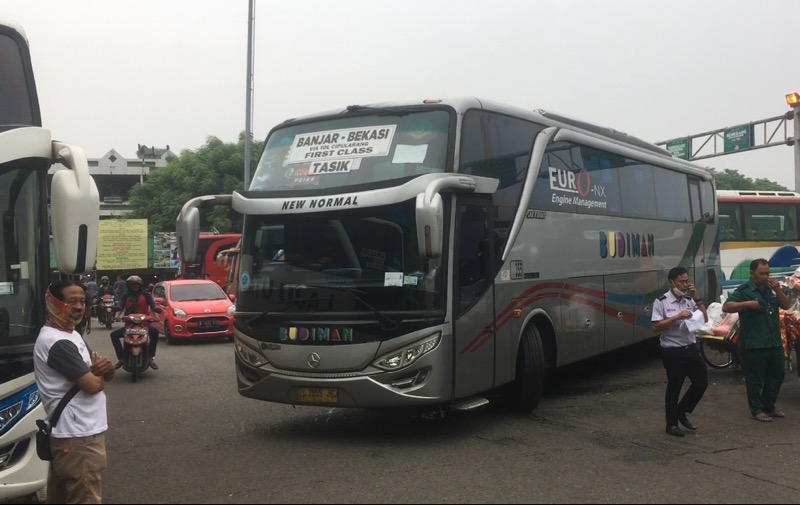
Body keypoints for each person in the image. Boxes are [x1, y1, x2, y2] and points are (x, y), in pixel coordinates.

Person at [32, 280, 115, 504]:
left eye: (82, 301)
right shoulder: (56, 341)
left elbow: (101, 373)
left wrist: (104, 371)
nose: (79, 307)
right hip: (79, 437)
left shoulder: (72, 335)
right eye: (71, 301)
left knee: (62, 496)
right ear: (53, 303)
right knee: (85, 496)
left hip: (76, 434)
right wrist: (102, 372)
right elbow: (93, 385)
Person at [722, 258, 792, 422]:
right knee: (755, 379)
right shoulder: (744, 290)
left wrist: (778, 290)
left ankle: (769, 406)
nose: (765, 276)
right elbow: (727, 306)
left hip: (773, 342)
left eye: (767, 273)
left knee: (778, 374)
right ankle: (757, 410)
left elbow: (787, 305)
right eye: (762, 273)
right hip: (753, 343)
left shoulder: (771, 289)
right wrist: (747, 304)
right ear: (752, 273)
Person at [651, 266, 709, 437]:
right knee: (674, 386)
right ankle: (671, 423)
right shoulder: (661, 301)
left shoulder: (689, 300)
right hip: (673, 351)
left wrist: (697, 299)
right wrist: (676, 317)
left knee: (701, 382)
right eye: (681, 282)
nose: (685, 285)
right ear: (671, 282)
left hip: (690, 348)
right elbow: (655, 327)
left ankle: (682, 410)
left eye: (687, 281)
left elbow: (704, 318)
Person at [110, 275, 163, 370]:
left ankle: (150, 357)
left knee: (155, 332)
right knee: (114, 335)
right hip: (129, 325)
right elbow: (120, 307)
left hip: (144, 325)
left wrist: (156, 316)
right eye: (132, 284)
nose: (135, 286)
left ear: (140, 285)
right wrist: (117, 316)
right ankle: (121, 358)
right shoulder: (125, 296)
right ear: (129, 286)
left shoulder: (146, 295)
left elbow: (153, 306)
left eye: (137, 284)